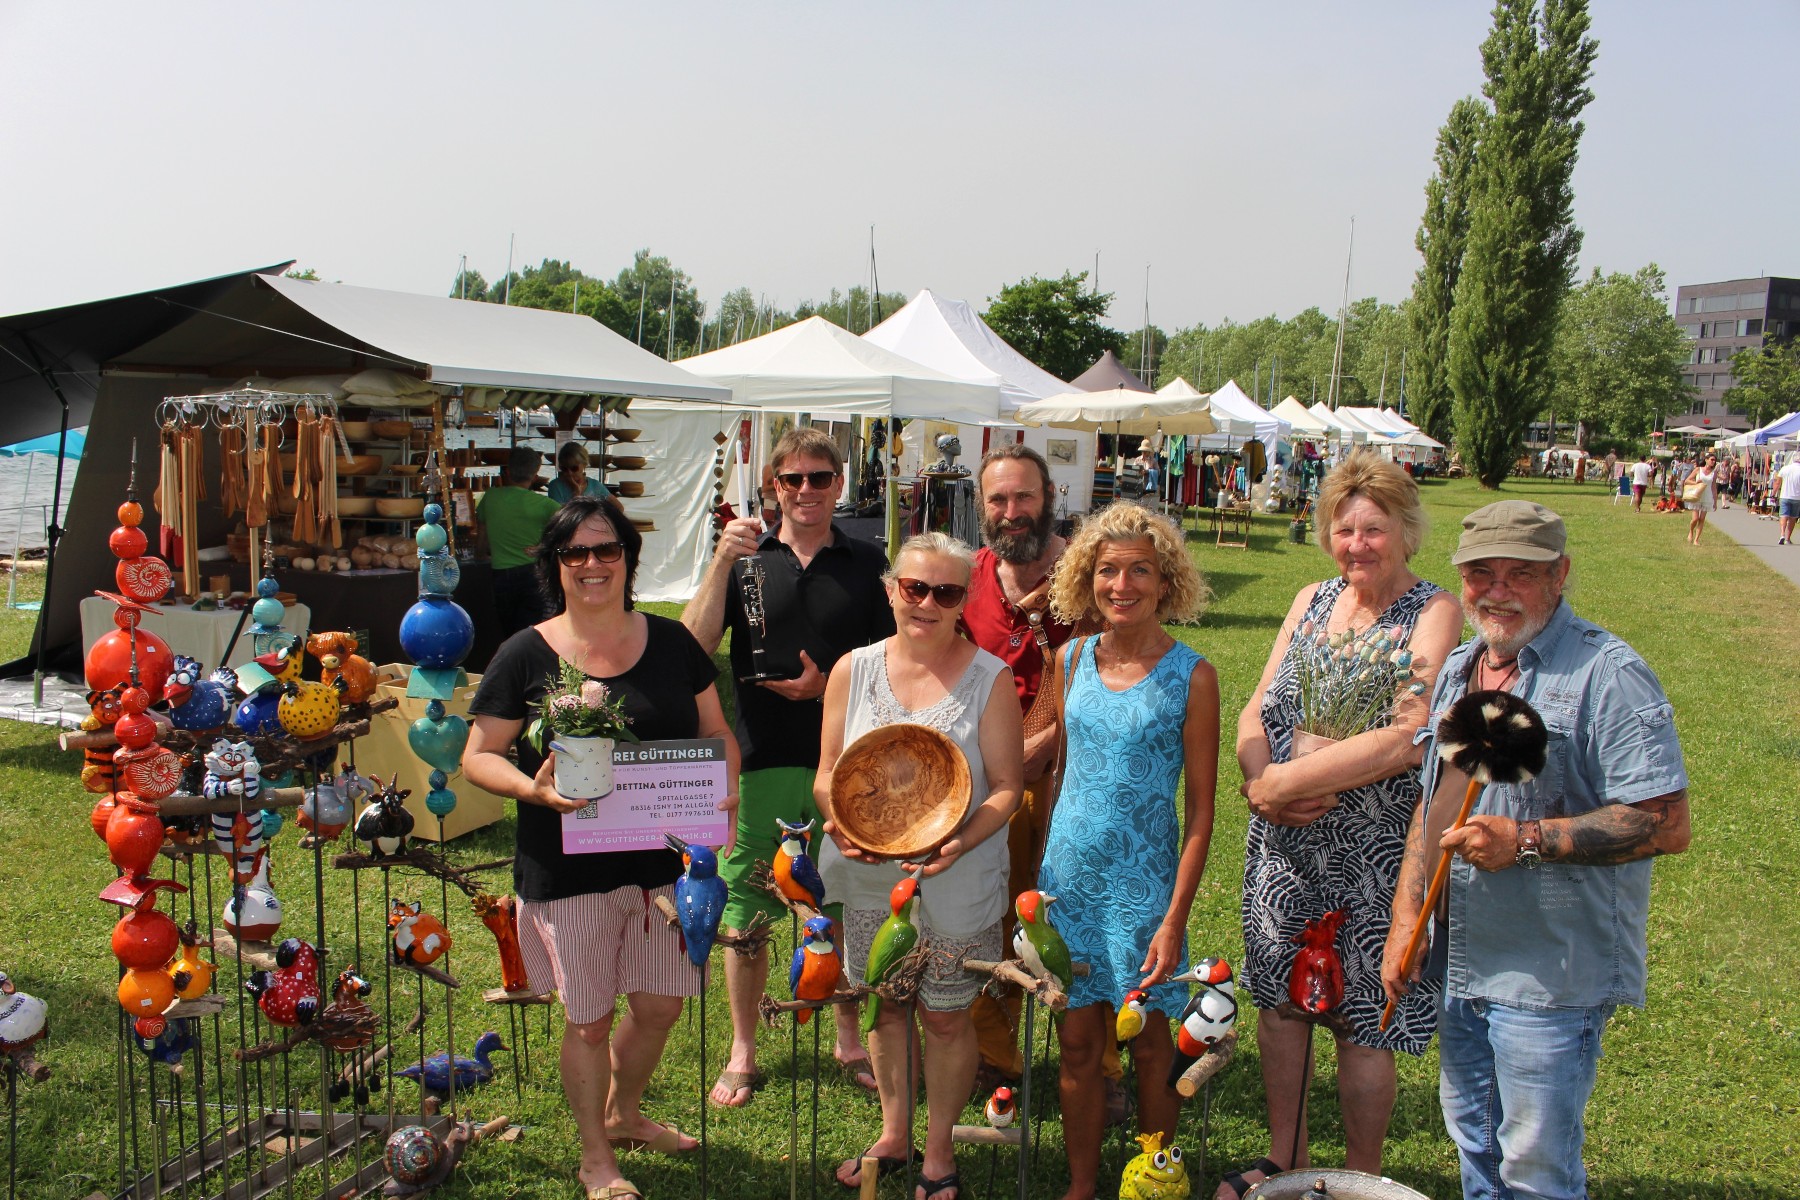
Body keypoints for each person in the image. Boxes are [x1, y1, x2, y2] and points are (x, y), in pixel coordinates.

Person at [1382, 500, 1691, 1200]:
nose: (1497, 590)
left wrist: (1525, 840)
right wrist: (1407, 918)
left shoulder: (1607, 674)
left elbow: (1666, 823)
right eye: (1480, 573)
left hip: (1547, 975)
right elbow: (1431, 809)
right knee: (1474, 1147)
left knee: (1535, 1171)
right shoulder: (1463, 668)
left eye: (1520, 573)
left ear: (1561, 576)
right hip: (1461, 965)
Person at [464, 495, 742, 1200]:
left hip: (662, 864)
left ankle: (623, 1113)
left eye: (606, 550)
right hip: (568, 869)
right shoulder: (524, 653)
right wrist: (533, 790)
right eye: (575, 553)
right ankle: (595, 1156)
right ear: (555, 566)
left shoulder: (673, 643)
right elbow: (479, 756)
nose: (593, 565)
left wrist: (724, 798)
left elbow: (716, 735)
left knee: (659, 1006)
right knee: (588, 1022)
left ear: (628, 558)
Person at [1222, 451, 1462, 1198]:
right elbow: (1258, 706)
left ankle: (1363, 1176)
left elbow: (1408, 732)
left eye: (1374, 529)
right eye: (1344, 528)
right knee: (1281, 1012)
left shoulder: (1433, 611)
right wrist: (1260, 782)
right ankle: (1284, 1156)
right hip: (1285, 850)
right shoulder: (1311, 599)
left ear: (1407, 531)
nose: (1357, 544)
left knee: (1365, 1024)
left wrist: (1284, 782)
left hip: (1375, 851)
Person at [681, 426, 892, 1106]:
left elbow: (899, 660)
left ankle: (848, 1034)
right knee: (746, 899)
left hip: (846, 757)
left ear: (840, 484)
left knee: (842, 897)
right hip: (761, 754)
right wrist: (720, 563)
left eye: (820, 478)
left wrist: (828, 682)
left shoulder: (867, 560)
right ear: (773, 486)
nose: (806, 491)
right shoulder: (744, 558)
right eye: (792, 480)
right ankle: (743, 1047)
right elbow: (692, 647)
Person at [815, 532, 1024, 1200]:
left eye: (947, 591)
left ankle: (938, 1152)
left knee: (945, 1014)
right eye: (915, 587)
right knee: (887, 1002)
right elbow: (828, 776)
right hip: (871, 867)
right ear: (890, 589)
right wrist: (843, 822)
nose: (928, 603)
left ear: (965, 599)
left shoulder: (988, 678)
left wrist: (964, 839)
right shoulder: (854, 669)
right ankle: (894, 1133)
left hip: (959, 869)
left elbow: (1006, 790)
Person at [1038, 502, 1219, 1200]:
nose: (1123, 584)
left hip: (1144, 893)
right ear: (1087, 579)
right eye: (1108, 570)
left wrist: (1174, 918)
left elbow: (1201, 811)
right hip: (1069, 886)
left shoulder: (1191, 676)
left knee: (1150, 1046)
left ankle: (1151, 1182)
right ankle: (1083, 1186)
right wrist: (1039, 882)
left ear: (1166, 580)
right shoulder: (1072, 657)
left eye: (1140, 570)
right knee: (1078, 1046)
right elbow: (1058, 771)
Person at [957, 445, 1130, 1110]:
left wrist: (1039, 744)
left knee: (1068, 920)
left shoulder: (1092, 576)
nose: (1010, 512)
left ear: (1049, 495)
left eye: (1022, 497)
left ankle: (1101, 1066)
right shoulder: (966, 577)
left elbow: (1116, 677)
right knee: (983, 919)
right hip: (983, 784)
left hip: (1071, 777)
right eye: (997, 500)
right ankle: (993, 1056)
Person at [476, 447, 561, 637]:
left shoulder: (491, 497)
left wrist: (480, 554)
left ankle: (514, 664)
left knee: (508, 632)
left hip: (500, 575)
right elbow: (571, 527)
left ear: (507, 470)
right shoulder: (545, 505)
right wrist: (544, 547)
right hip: (532, 573)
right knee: (529, 633)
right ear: (535, 475)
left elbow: (481, 533)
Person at [548, 440, 613, 503]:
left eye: (574, 468)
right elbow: (561, 513)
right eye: (564, 469)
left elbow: (619, 507)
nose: (569, 473)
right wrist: (576, 493)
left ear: (584, 465)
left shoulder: (595, 486)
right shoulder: (556, 486)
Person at [1684, 452, 1719, 545]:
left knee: (1702, 519)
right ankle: (1691, 531)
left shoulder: (1714, 473)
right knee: (1695, 519)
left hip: (1707, 496)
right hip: (1697, 495)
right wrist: (1695, 483)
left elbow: (1714, 487)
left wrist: (1715, 501)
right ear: (1706, 460)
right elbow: (1687, 481)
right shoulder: (1698, 469)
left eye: (1714, 460)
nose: (1713, 462)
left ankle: (1696, 539)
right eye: (1711, 459)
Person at [1775, 454, 1800, 545]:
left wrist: (1774, 493)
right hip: (1797, 497)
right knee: (1792, 518)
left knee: (1783, 515)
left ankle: (1782, 534)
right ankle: (1788, 538)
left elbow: (1778, 483)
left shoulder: (1785, 468)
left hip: (1785, 495)